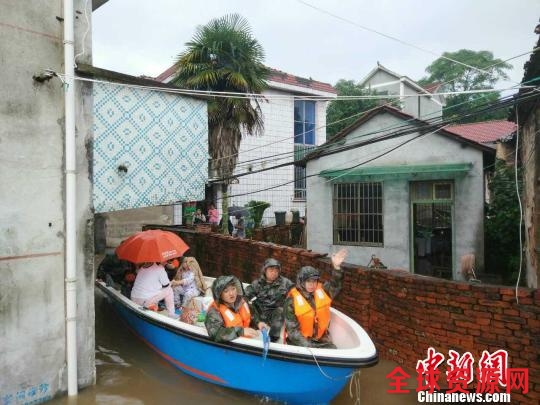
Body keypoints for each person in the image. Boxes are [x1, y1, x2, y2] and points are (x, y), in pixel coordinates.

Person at [283, 248, 348, 348]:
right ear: (301, 281)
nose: (312, 284)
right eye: (308, 281)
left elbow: (335, 285)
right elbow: (292, 331)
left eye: (315, 281)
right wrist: (309, 346)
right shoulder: (291, 301)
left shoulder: (323, 290)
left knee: (334, 350)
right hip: (301, 342)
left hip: (321, 339)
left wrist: (336, 267)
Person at [205, 275, 268, 342]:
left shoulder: (242, 302)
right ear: (220, 294)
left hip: (248, 340)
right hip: (232, 346)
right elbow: (215, 333)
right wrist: (240, 331)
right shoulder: (214, 311)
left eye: (233, 288)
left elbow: (252, 315)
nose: (231, 293)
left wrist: (258, 323)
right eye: (226, 291)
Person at [244, 258, 294, 342]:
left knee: (281, 310)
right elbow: (245, 295)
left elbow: (296, 292)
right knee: (247, 305)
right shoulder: (257, 283)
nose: (274, 273)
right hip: (259, 313)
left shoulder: (285, 283)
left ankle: (273, 339)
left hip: (274, 315)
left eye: (276, 270)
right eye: (271, 270)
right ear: (265, 270)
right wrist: (252, 301)